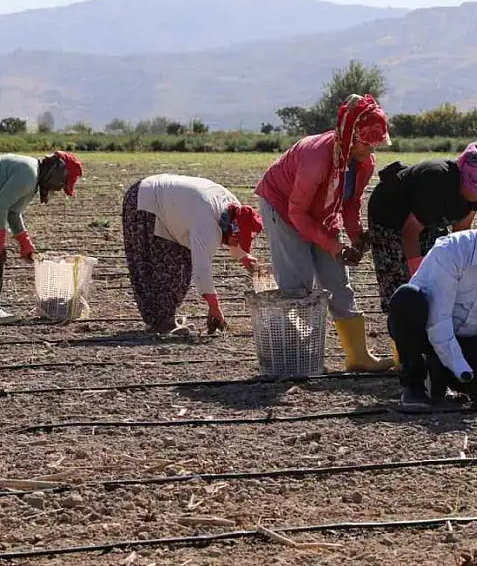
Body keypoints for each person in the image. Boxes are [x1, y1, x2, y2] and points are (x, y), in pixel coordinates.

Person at [254, 94, 393, 372]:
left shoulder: (365, 162)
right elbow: (297, 214)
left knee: (339, 281)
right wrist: (333, 247)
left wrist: (357, 239)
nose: (371, 150)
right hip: (284, 208)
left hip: (321, 212)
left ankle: (358, 357)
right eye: (366, 143)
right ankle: (295, 359)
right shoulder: (316, 157)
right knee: (298, 283)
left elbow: (350, 205)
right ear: (350, 136)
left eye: (376, 143)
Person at [366, 142, 477, 361]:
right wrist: (418, 277)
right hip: (390, 219)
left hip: (427, 222)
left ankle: (432, 349)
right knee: (402, 287)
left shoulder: (474, 194)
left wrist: (462, 270)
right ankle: (406, 357)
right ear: (471, 181)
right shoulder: (436, 183)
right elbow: (410, 232)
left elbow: (460, 232)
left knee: (440, 280)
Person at [388, 209, 477, 408]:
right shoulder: (451, 252)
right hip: (426, 330)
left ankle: (440, 370)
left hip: (468, 336)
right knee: (407, 298)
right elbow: (438, 320)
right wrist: (464, 373)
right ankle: (414, 383)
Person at [0, 151, 83, 324]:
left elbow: (13, 212)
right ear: (56, 170)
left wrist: (25, 243)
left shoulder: (32, 177)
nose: (58, 189)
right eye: (62, 182)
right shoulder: (28, 174)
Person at [122, 174, 263, 335]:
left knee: (179, 267)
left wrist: (243, 256)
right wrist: (214, 307)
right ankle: (161, 323)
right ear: (231, 230)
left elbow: (232, 236)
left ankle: (165, 318)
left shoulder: (235, 210)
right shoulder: (208, 225)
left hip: (168, 201)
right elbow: (202, 269)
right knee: (162, 267)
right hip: (145, 201)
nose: (237, 244)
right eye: (238, 240)